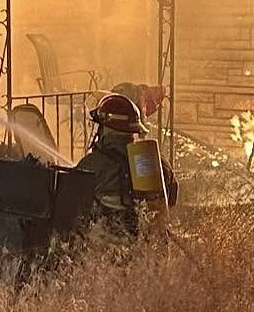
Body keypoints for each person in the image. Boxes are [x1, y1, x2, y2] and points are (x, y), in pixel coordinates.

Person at [75, 93, 177, 236]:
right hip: (151, 242)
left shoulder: (93, 164)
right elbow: (172, 196)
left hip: (108, 246)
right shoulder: (157, 162)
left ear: (104, 128)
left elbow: (73, 206)